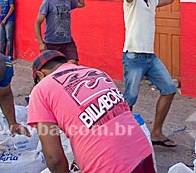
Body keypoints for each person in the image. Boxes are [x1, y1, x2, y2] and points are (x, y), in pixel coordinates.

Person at [27, 50, 155, 173]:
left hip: (108, 166)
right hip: (143, 152)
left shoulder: (40, 89)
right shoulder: (97, 72)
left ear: (40, 75)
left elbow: (54, 159)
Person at [114, 0, 178, 148]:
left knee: (169, 89)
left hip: (150, 57)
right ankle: (121, 136)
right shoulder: (131, 0)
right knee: (130, 98)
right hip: (133, 57)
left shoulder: (151, 2)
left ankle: (156, 133)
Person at [34, 0, 85, 64]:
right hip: (51, 43)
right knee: (53, 69)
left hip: (67, 41)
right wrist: (40, 43)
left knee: (73, 64)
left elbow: (81, 4)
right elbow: (37, 22)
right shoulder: (48, 2)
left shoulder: (68, 1)